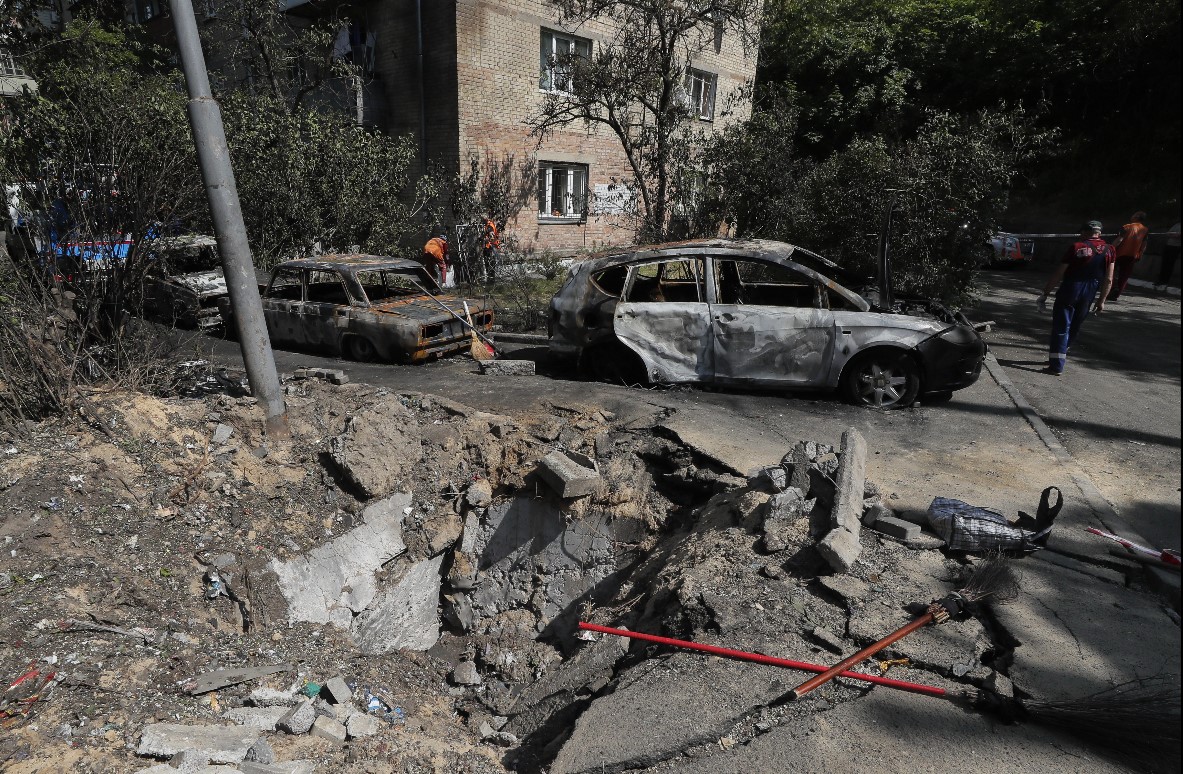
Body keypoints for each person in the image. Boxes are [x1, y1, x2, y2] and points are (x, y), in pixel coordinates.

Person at [1037, 220, 1115, 375]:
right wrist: (1102, 300)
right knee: (1075, 325)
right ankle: (1058, 357)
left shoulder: (1077, 247)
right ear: (1099, 233)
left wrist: (1046, 292)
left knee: (1061, 326)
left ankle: (1056, 365)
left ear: (1085, 232)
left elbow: (1059, 273)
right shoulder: (1110, 250)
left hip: (1071, 287)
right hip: (1090, 291)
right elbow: (1109, 278)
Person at [1108, 211, 1148, 301]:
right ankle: (1117, 294)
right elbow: (1144, 244)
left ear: (1136, 217)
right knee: (1124, 275)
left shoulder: (1127, 227)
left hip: (1120, 253)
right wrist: (1140, 254)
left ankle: (1113, 288)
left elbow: (1119, 240)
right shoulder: (1145, 230)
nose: (1132, 215)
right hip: (1132, 255)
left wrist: (1110, 248)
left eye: (1134, 214)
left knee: (1112, 271)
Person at [1156, 221, 1180, 291]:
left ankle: (1165, 281)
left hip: (1176, 247)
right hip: (1168, 245)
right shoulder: (1177, 224)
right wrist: (1173, 234)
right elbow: (1168, 233)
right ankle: (1160, 280)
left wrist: (1172, 234)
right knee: (1164, 263)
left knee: (1170, 264)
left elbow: (1178, 236)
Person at [480, 215, 501, 280]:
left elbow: (492, 236)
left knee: (490, 263)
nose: (481, 221)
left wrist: (486, 239)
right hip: (490, 247)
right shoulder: (488, 224)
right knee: (489, 263)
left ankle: (491, 279)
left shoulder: (489, 225)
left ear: (485, 218)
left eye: (482, 219)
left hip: (490, 247)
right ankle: (491, 277)